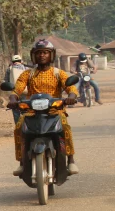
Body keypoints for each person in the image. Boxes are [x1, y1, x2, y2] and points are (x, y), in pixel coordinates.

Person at [8, 39, 79, 176]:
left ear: (51, 55)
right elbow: (16, 90)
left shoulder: (58, 73)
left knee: (65, 127)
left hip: (55, 110)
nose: (42, 55)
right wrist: (12, 99)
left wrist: (71, 97)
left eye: (45, 53)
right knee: (19, 127)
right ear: (34, 55)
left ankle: (70, 160)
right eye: (39, 53)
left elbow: (70, 88)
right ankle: (22, 162)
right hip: (31, 111)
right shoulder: (27, 74)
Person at [4, 54, 28, 123]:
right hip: (25, 92)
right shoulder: (26, 69)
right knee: (25, 110)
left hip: (14, 93)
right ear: (21, 61)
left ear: (12, 62)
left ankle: (18, 127)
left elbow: (6, 81)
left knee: (15, 111)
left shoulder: (9, 69)